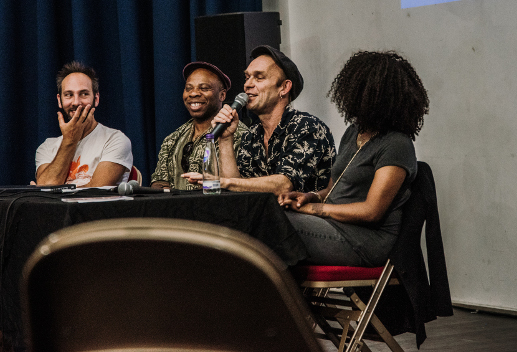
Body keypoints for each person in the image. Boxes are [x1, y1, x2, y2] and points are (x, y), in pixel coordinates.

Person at [278, 51, 430, 267]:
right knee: (270, 214)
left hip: (363, 241)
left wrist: (315, 210)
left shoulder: (397, 144)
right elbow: (333, 191)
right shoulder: (353, 133)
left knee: (272, 222)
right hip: (331, 225)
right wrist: (310, 197)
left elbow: (371, 212)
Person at [184, 45, 336, 195]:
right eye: (247, 77)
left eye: (259, 78)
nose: (247, 85)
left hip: (308, 210)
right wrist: (225, 139)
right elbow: (239, 189)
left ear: (284, 87)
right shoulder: (252, 135)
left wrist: (221, 182)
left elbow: (284, 185)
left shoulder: (307, 127)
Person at [150, 62, 247, 190]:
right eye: (188, 88)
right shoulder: (172, 139)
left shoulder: (240, 135)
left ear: (222, 95)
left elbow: (240, 188)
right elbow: (159, 182)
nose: (193, 93)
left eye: (204, 88)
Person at [35, 61, 133, 187]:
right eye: (69, 95)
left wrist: (53, 191)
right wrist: (69, 140)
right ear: (59, 100)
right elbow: (45, 189)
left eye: (84, 94)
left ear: (96, 99)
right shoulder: (47, 147)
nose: (76, 102)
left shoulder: (115, 140)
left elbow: (96, 191)